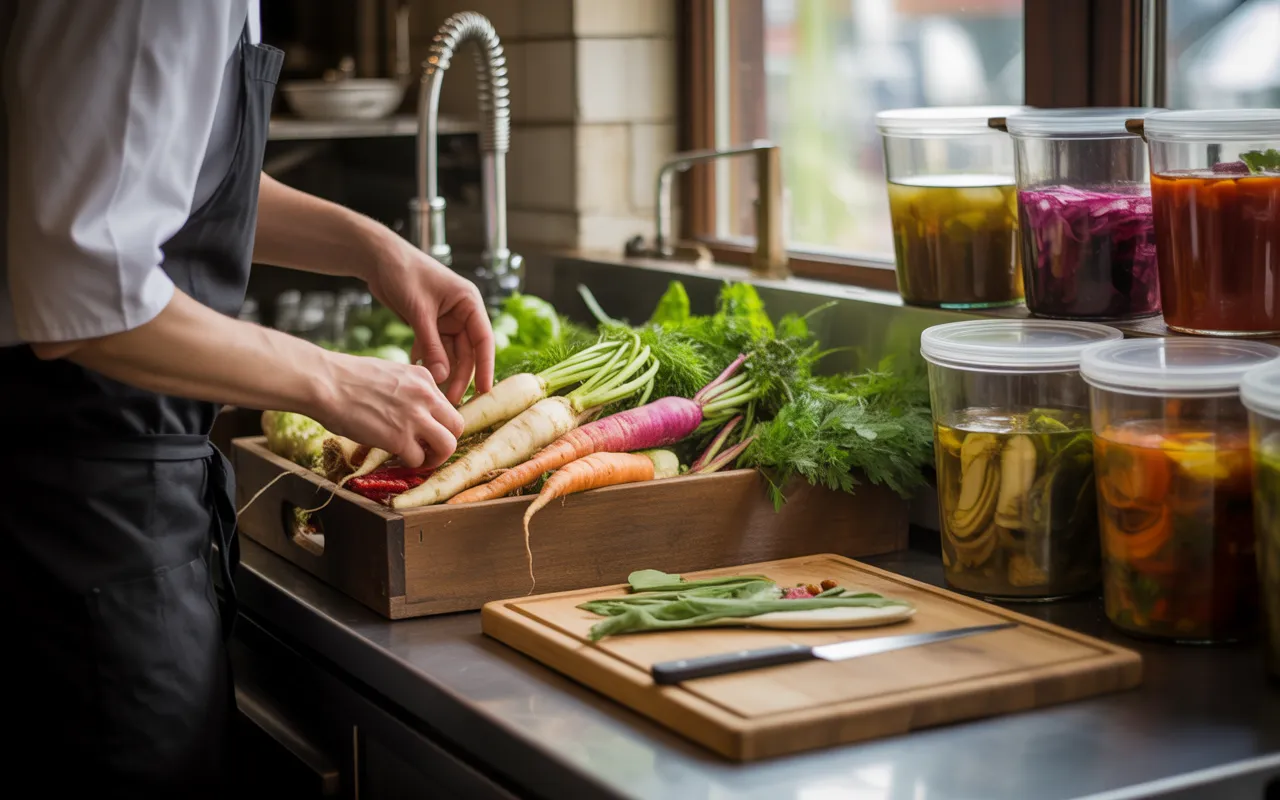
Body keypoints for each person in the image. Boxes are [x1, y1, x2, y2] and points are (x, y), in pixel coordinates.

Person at [0, 2, 491, 795]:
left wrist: (373, 250)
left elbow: (163, 173)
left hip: (106, 495)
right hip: (79, 517)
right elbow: (82, 289)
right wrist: (333, 378)